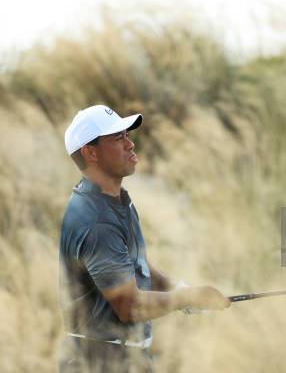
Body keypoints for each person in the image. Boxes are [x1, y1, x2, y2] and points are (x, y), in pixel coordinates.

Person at [58, 105, 230, 372]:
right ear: (90, 152)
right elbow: (129, 306)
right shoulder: (96, 221)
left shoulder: (115, 201)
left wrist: (179, 289)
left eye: (127, 134)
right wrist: (186, 299)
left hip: (128, 358)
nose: (130, 143)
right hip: (99, 362)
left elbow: (137, 265)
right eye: (118, 138)